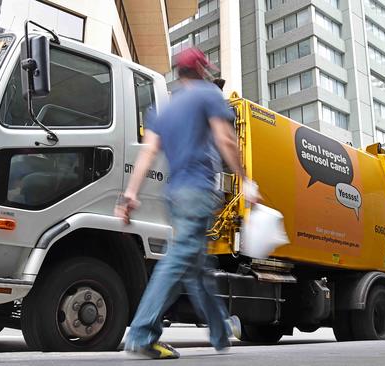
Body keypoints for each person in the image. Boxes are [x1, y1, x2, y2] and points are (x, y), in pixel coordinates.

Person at [114, 48, 259, 359]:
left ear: (178, 73)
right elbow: (225, 140)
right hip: (198, 190)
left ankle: (220, 331)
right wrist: (245, 181)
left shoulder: (162, 110)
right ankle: (142, 334)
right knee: (179, 259)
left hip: (175, 195)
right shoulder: (208, 94)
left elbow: (148, 152)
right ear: (202, 71)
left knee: (196, 268)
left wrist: (130, 194)